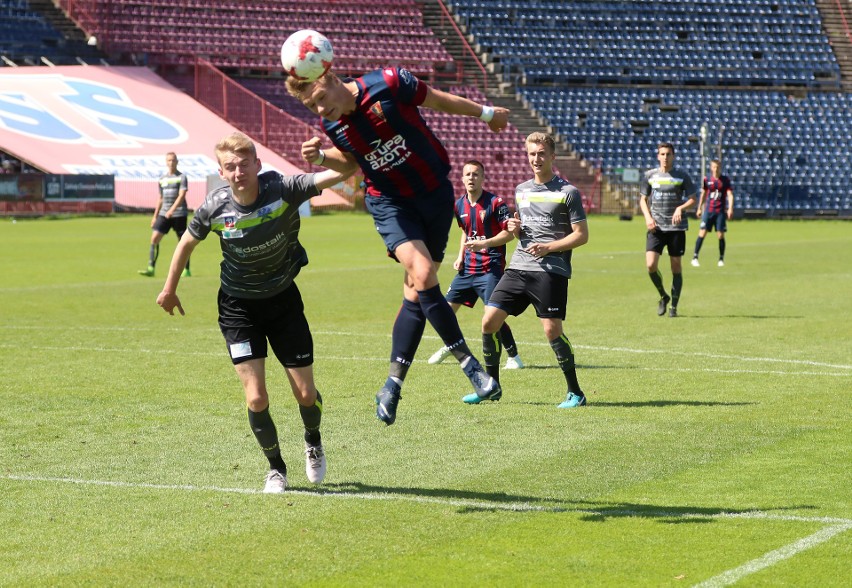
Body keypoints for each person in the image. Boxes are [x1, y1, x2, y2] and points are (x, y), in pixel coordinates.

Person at [287, 66, 509, 426]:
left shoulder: (388, 83)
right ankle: (472, 368)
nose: (319, 110)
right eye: (311, 106)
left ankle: (391, 384)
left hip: (435, 196)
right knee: (422, 273)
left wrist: (486, 114)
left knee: (416, 291)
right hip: (390, 203)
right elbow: (352, 164)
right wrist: (320, 158)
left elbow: (437, 100)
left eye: (320, 99)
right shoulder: (333, 127)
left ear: (329, 77)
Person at [156, 132, 353, 493]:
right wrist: (169, 289)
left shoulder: (284, 188)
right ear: (221, 171)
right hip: (237, 308)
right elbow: (186, 242)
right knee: (256, 397)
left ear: (257, 165)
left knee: (306, 395)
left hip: (283, 302)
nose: (237, 171)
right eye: (229, 166)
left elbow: (348, 170)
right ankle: (276, 469)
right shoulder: (214, 207)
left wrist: (323, 156)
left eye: (244, 164)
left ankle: (313, 441)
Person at [469, 132, 589, 409]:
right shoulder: (521, 190)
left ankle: (576, 393)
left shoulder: (567, 192)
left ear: (552, 157)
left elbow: (581, 235)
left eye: (542, 154)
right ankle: (491, 387)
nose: (537, 158)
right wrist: (511, 229)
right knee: (489, 322)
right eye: (532, 154)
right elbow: (517, 231)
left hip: (551, 270)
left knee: (551, 331)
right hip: (518, 267)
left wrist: (549, 247)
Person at [426, 160, 524, 370]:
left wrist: (484, 244)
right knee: (444, 313)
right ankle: (452, 347)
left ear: (483, 178)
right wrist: (461, 255)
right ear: (462, 178)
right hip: (467, 269)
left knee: (492, 316)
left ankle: (514, 357)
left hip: (490, 268)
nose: (471, 177)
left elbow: (508, 234)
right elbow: (465, 231)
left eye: (476, 174)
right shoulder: (459, 205)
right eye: (468, 174)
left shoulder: (496, 203)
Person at [638, 142, 697, 318]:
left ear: (673, 156)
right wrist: (648, 218)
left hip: (676, 228)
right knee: (650, 265)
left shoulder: (682, 176)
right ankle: (663, 295)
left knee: (676, 267)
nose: (665, 157)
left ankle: (674, 307)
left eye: (668, 154)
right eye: (662, 154)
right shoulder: (650, 175)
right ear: (658, 156)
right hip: (656, 227)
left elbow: (693, 199)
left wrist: (681, 208)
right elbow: (643, 200)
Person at [139, 152, 191, 277]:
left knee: (182, 242)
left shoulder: (182, 177)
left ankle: (186, 269)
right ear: (166, 162)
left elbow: (182, 195)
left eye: (173, 160)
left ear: (177, 162)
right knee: (154, 238)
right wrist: (155, 216)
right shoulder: (162, 179)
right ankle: (151, 268)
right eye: (169, 160)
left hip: (179, 213)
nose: (171, 162)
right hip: (164, 213)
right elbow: (160, 198)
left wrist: (172, 210)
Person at [691, 159, 734, 267]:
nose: (716, 169)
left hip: (720, 212)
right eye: (714, 167)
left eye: (718, 167)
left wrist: (730, 208)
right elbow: (704, 193)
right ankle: (695, 257)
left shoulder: (725, 180)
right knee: (702, 233)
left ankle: (721, 259)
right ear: (711, 167)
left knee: (720, 235)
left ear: (720, 167)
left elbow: (730, 194)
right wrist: (699, 208)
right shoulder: (707, 179)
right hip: (708, 211)